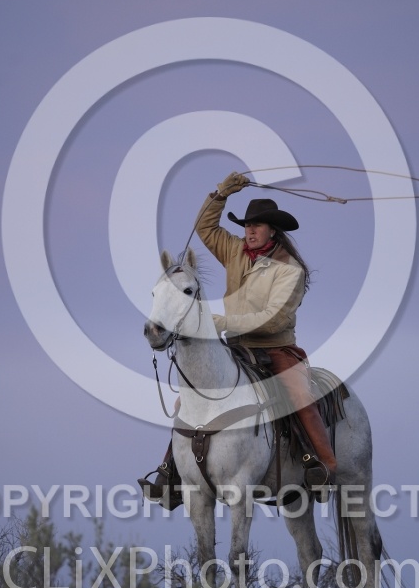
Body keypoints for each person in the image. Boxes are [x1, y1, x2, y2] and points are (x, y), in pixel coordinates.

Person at [138, 171, 337, 507]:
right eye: (246, 225)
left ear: (273, 230)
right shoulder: (234, 250)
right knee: (186, 402)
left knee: (299, 393)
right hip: (235, 346)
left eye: (256, 226)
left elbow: (274, 318)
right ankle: (170, 474)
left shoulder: (290, 270)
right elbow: (205, 228)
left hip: (276, 347)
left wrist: (220, 322)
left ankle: (322, 466)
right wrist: (220, 193)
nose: (249, 231)